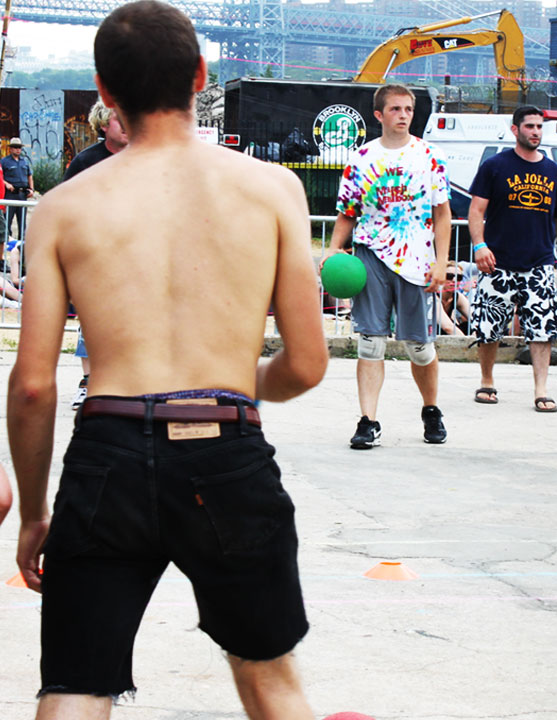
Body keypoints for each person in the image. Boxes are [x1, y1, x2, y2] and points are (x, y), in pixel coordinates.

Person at [8, 2, 329, 717]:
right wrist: (238, 384)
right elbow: (306, 365)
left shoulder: (63, 207)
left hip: (109, 454)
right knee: (270, 678)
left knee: (75, 688)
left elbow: (32, 386)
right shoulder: (273, 190)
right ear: (201, 75)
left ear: (104, 90)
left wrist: (34, 514)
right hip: (227, 449)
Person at [328, 83, 451, 449]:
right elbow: (348, 212)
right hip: (371, 254)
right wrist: (333, 248)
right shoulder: (361, 158)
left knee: (419, 347)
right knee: (370, 343)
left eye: (408, 109)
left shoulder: (430, 156)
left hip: (416, 258)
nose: (403, 115)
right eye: (395, 109)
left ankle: (431, 409)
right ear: (379, 114)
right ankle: (368, 421)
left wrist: (441, 262)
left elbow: (442, 214)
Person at [468, 105, 557, 412]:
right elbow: (476, 210)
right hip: (497, 262)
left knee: (542, 329)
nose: (536, 132)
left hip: (539, 263)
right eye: (529, 126)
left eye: (539, 126)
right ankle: (487, 381)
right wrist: (479, 246)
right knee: (489, 327)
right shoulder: (495, 166)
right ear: (515, 130)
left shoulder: (553, 172)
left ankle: (541, 390)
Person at [63, 98, 130, 409]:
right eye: (119, 119)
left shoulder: (144, 158)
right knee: (92, 320)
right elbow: (65, 206)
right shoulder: (86, 161)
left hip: (136, 254)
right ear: (103, 125)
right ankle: (88, 383)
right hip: (95, 254)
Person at [1, 136, 34, 245]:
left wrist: (31, 189)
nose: (18, 150)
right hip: (10, 194)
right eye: (15, 147)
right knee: (7, 220)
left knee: (22, 221)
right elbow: (0, 177)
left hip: (22, 194)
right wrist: (6, 184)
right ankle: (7, 243)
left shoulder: (24, 161)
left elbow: (29, 175)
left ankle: (21, 244)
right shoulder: (4, 162)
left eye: (19, 147)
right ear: (10, 149)